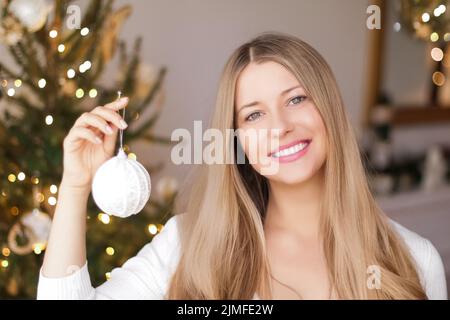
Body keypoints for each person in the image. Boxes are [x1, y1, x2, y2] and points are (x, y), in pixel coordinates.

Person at [37, 32, 447, 300]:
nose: (280, 128)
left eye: (296, 99)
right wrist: (75, 185)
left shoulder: (414, 259)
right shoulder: (189, 243)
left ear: (330, 109)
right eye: (254, 115)